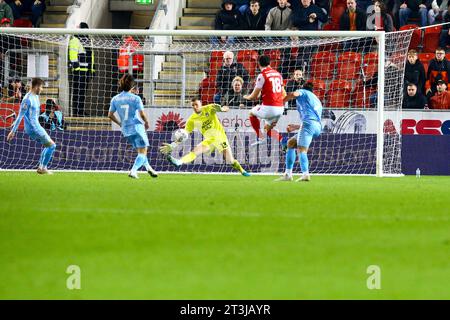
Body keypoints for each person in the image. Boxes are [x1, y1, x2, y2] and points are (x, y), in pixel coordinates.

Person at [160, 97, 250, 177]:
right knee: (195, 151)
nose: (195, 107)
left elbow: (225, 108)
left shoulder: (209, 108)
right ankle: (179, 162)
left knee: (231, 161)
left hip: (220, 138)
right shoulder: (192, 119)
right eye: (193, 105)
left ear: (201, 104)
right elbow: (184, 135)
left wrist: (222, 109)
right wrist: (173, 145)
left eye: (196, 104)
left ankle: (242, 170)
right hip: (209, 141)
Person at [108, 74, 158, 179]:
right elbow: (142, 114)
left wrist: (119, 123)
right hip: (136, 127)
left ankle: (149, 168)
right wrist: (147, 122)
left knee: (141, 151)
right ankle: (133, 170)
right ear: (132, 86)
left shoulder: (115, 99)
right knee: (143, 150)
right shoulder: (136, 98)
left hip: (125, 129)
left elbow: (110, 115)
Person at [7, 78, 56, 174]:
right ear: (36, 86)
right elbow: (20, 116)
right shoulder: (27, 99)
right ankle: (43, 168)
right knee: (52, 145)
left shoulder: (35, 97)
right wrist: (13, 131)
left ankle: (41, 167)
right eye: (41, 87)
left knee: (47, 145)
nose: (41, 89)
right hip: (34, 128)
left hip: (35, 126)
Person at [276, 82, 322, 182]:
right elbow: (312, 119)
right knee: (291, 143)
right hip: (317, 127)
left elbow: (294, 94)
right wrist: (296, 127)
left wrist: (282, 101)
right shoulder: (316, 99)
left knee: (302, 150)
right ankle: (288, 174)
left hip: (308, 124)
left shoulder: (303, 92)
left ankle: (305, 174)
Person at [244, 55, 285, 146]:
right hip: (280, 108)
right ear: (270, 63)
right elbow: (283, 93)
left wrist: (246, 97)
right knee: (267, 129)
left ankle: (260, 137)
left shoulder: (262, 75)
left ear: (258, 64)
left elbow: (253, 97)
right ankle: (283, 141)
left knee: (251, 113)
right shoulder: (278, 74)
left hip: (269, 108)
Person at [69, 22, 95, 117]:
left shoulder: (88, 40)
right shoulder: (75, 40)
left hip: (86, 72)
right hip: (78, 72)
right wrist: (77, 68)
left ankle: (81, 111)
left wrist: (92, 70)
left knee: (83, 93)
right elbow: (72, 56)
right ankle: (76, 112)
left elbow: (91, 56)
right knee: (77, 93)